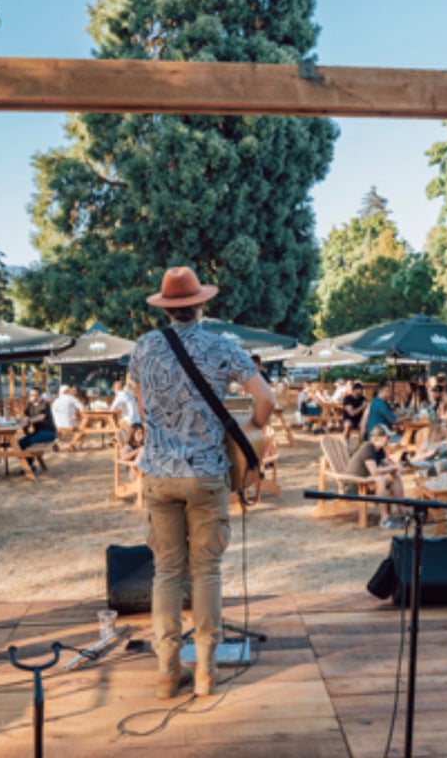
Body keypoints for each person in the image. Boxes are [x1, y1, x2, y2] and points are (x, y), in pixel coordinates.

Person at [127, 266, 275, 701]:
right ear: (201, 304)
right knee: (207, 569)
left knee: (167, 572)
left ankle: (167, 673)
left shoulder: (144, 347)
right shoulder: (222, 346)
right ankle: (207, 672)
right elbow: (265, 399)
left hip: (158, 472)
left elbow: (139, 403)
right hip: (207, 471)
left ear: (168, 308)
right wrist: (250, 429)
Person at [348, 424, 406, 527]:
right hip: (355, 486)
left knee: (395, 476)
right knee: (380, 479)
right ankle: (384, 519)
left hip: (367, 482)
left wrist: (397, 468)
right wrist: (393, 468)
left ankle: (403, 514)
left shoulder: (379, 449)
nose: (388, 439)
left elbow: (388, 465)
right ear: (377, 438)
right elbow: (375, 471)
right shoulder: (368, 447)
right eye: (386, 437)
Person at [17, 387, 57, 468]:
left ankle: (28, 466)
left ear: (40, 396)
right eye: (32, 395)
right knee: (20, 443)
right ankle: (29, 464)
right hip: (38, 432)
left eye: (36, 395)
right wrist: (20, 420)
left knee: (28, 442)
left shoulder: (44, 404)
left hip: (48, 432)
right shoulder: (30, 405)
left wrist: (28, 421)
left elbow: (41, 417)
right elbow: (25, 417)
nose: (34, 397)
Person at [341, 381, 368, 448]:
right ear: (355, 390)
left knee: (366, 426)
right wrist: (362, 407)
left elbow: (366, 412)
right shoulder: (348, 399)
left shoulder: (363, 399)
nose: (362, 392)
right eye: (360, 390)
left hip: (360, 419)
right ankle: (345, 443)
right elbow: (352, 413)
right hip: (349, 418)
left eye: (362, 390)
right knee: (348, 425)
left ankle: (361, 445)